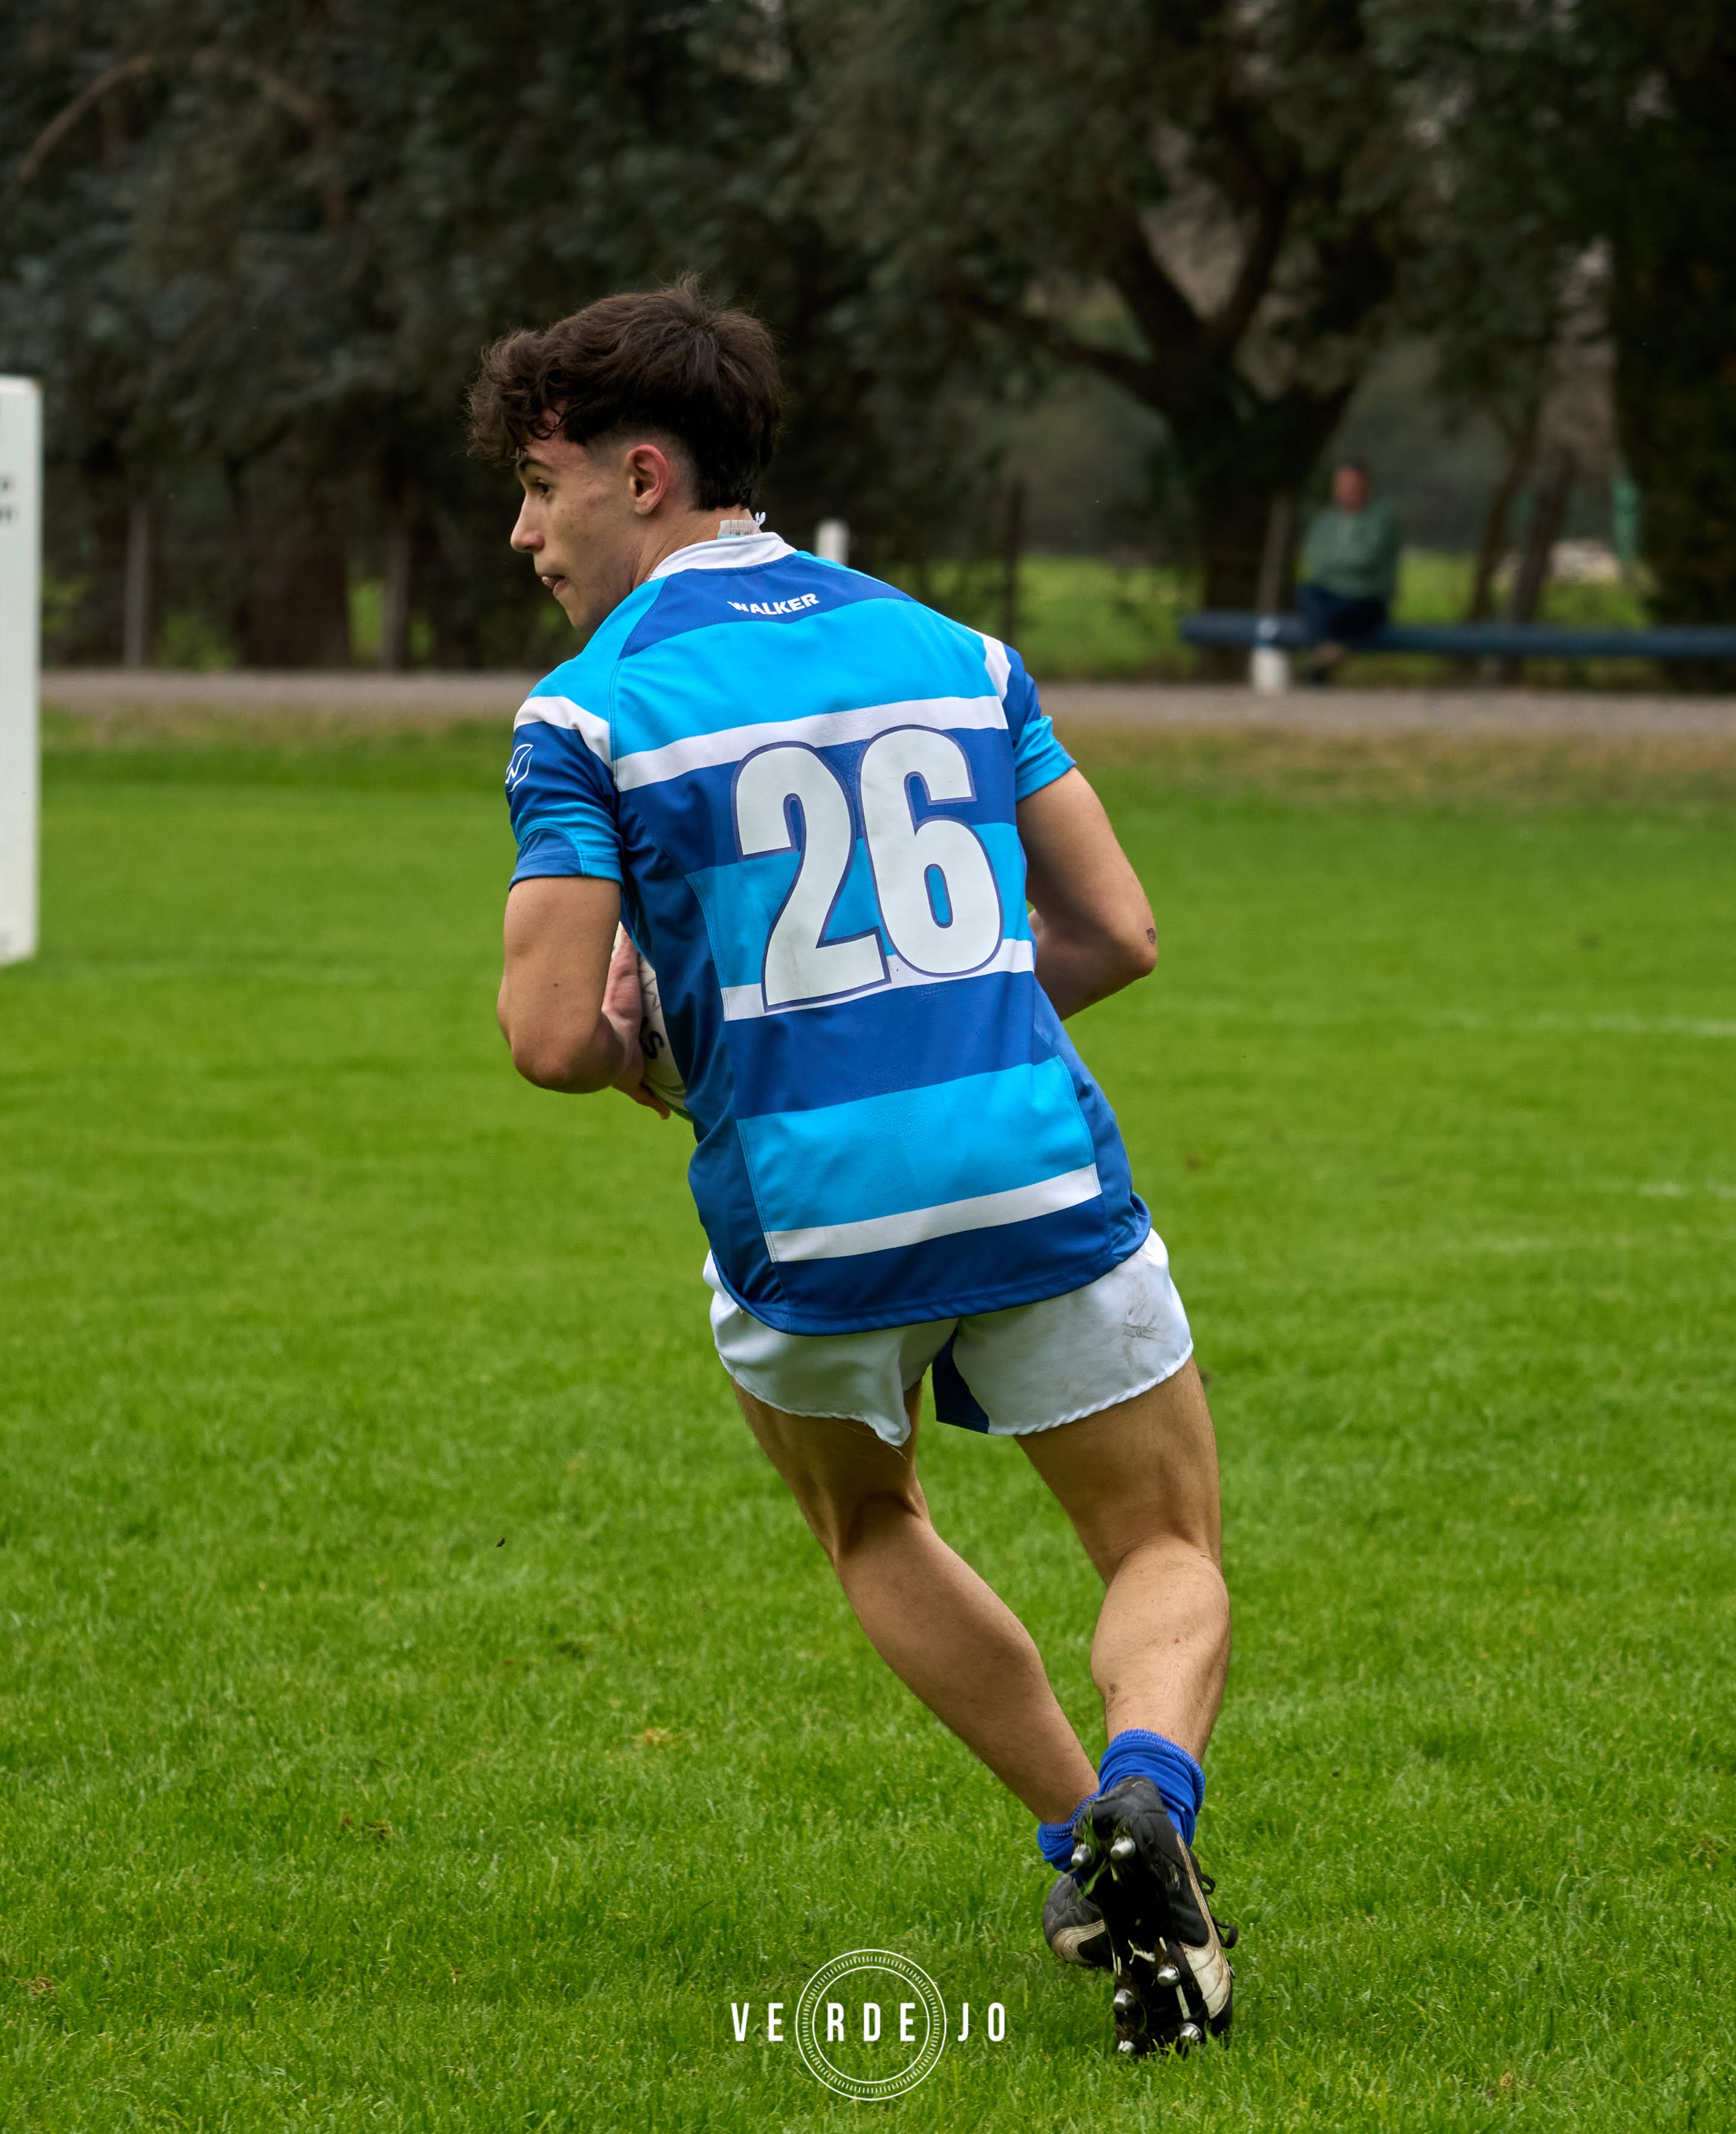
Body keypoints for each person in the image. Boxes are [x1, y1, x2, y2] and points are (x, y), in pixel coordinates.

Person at [474, 280, 1238, 2060]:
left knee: (871, 1519)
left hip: (801, 1212)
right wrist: (940, 1001)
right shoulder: (958, 654)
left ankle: (1075, 1840)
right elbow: (1115, 933)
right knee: (1160, 1541)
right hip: (1026, 1163)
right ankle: (1149, 1800)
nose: (524, 533)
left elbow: (545, 1037)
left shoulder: (581, 718)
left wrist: (683, 1050)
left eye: (539, 486)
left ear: (641, 476)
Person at [1295, 460, 1401, 680]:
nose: (1348, 490)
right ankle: (1328, 654)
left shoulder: (1381, 519)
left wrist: (1336, 564)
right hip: (1329, 597)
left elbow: (1366, 559)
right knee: (1305, 593)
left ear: (1366, 486)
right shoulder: (1325, 521)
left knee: (1331, 611)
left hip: (1366, 599)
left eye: (1353, 485)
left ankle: (1324, 658)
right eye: (1342, 485)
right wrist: (1344, 563)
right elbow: (1317, 560)